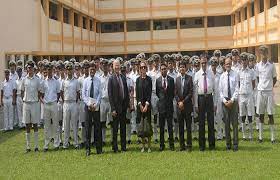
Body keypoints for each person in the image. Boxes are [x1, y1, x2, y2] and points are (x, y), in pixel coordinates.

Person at [255, 45, 277, 143]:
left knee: (271, 114)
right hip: (260, 92)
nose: (263, 54)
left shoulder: (272, 65)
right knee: (261, 114)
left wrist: (269, 86)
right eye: (262, 52)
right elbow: (258, 78)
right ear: (260, 54)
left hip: (268, 92)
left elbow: (274, 78)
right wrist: (262, 86)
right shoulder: (257, 65)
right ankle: (260, 137)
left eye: (265, 52)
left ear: (267, 53)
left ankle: (272, 137)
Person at [194, 57, 216, 151]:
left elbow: (215, 89)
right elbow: (195, 91)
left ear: (207, 63)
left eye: (205, 63)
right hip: (201, 98)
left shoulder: (211, 73)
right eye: (202, 63)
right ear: (200, 63)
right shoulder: (197, 74)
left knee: (211, 122)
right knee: (201, 123)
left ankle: (211, 145)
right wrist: (195, 104)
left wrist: (215, 103)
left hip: (210, 98)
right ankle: (202, 146)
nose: (203, 64)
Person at [108, 59, 129, 153]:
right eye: (115, 66)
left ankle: (123, 147)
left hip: (123, 107)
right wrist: (113, 108)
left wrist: (127, 105)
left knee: (123, 129)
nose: (117, 67)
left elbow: (126, 93)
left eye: (118, 65)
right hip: (115, 108)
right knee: (115, 129)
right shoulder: (111, 79)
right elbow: (110, 95)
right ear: (113, 67)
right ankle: (115, 147)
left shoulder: (123, 77)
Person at [82, 61, 102, 156]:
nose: (92, 71)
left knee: (97, 128)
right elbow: (83, 95)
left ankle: (98, 148)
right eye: (91, 69)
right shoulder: (85, 81)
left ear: (95, 70)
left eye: (94, 69)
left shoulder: (98, 80)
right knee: (88, 128)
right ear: (89, 70)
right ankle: (88, 149)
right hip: (88, 107)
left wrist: (96, 104)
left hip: (96, 107)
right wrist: (89, 104)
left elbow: (100, 94)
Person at [219, 58, 239, 151]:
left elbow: (237, 89)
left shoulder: (235, 74)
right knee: (226, 124)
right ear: (224, 65)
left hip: (233, 101)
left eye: (229, 63)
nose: (228, 65)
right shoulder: (222, 76)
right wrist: (225, 101)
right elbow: (220, 91)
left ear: (231, 64)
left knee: (234, 124)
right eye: (226, 64)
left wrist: (232, 100)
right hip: (225, 102)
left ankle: (235, 144)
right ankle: (228, 144)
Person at [21, 60, 42, 152]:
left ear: (34, 69)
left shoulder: (37, 80)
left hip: (34, 104)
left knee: (35, 124)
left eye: (31, 68)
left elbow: (40, 91)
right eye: (28, 68)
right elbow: (22, 91)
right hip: (26, 103)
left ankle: (36, 146)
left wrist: (37, 100)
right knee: (27, 125)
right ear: (26, 69)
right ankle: (28, 146)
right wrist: (24, 99)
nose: (29, 69)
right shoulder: (24, 79)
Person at [40, 62, 61, 151]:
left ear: (53, 70)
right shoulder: (43, 82)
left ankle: (56, 144)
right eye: (48, 70)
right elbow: (40, 94)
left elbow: (59, 93)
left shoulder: (56, 81)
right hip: (46, 105)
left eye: (50, 70)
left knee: (55, 124)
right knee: (47, 125)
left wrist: (55, 101)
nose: (49, 71)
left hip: (53, 104)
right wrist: (43, 102)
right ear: (46, 71)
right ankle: (46, 144)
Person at [61, 62, 80, 149]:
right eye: (68, 69)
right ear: (66, 70)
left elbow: (78, 92)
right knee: (66, 124)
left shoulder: (76, 81)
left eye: (70, 69)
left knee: (74, 124)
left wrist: (75, 101)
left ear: (72, 70)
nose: (69, 71)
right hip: (66, 103)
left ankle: (76, 142)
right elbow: (61, 92)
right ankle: (65, 143)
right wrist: (64, 100)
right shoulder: (64, 81)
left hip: (73, 103)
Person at [156, 63, 175, 151]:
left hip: (169, 106)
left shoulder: (171, 80)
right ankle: (161, 145)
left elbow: (172, 93)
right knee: (162, 127)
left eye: (165, 69)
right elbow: (157, 92)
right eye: (162, 69)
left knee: (170, 127)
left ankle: (171, 145)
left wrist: (168, 100)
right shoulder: (158, 80)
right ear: (160, 70)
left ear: (167, 70)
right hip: (161, 107)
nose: (163, 70)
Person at [175, 61, 193, 151]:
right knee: (181, 127)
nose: (182, 68)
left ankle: (189, 145)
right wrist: (179, 102)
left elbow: (190, 92)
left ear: (186, 68)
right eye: (180, 67)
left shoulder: (189, 78)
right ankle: (182, 146)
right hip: (179, 107)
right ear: (178, 69)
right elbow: (175, 93)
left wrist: (183, 102)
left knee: (188, 127)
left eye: (183, 67)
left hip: (187, 106)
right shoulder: (177, 79)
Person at [238, 53, 255, 141]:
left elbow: (253, 84)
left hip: (249, 95)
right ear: (240, 61)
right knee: (242, 116)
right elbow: (238, 84)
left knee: (250, 115)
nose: (244, 62)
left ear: (248, 61)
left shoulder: (251, 71)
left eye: (245, 60)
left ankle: (251, 135)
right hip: (241, 96)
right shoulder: (239, 71)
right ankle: (244, 135)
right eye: (242, 60)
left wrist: (249, 91)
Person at [136, 61, 153, 153]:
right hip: (140, 106)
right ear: (139, 69)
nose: (143, 69)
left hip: (147, 105)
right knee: (142, 127)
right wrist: (140, 105)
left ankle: (149, 146)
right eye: (141, 67)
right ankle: (143, 146)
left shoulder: (149, 79)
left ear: (146, 69)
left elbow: (149, 93)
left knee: (148, 125)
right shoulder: (138, 80)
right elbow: (137, 94)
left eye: (144, 67)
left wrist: (146, 105)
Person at [99, 59, 112, 145]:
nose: (104, 67)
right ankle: (103, 139)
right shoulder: (99, 78)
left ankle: (112, 138)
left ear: (108, 67)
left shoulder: (111, 77)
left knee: (111, 122)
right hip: (102, 101)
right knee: (102, 122)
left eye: (106, 65)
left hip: (110, 101)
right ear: (101, 66)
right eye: (103, 65)